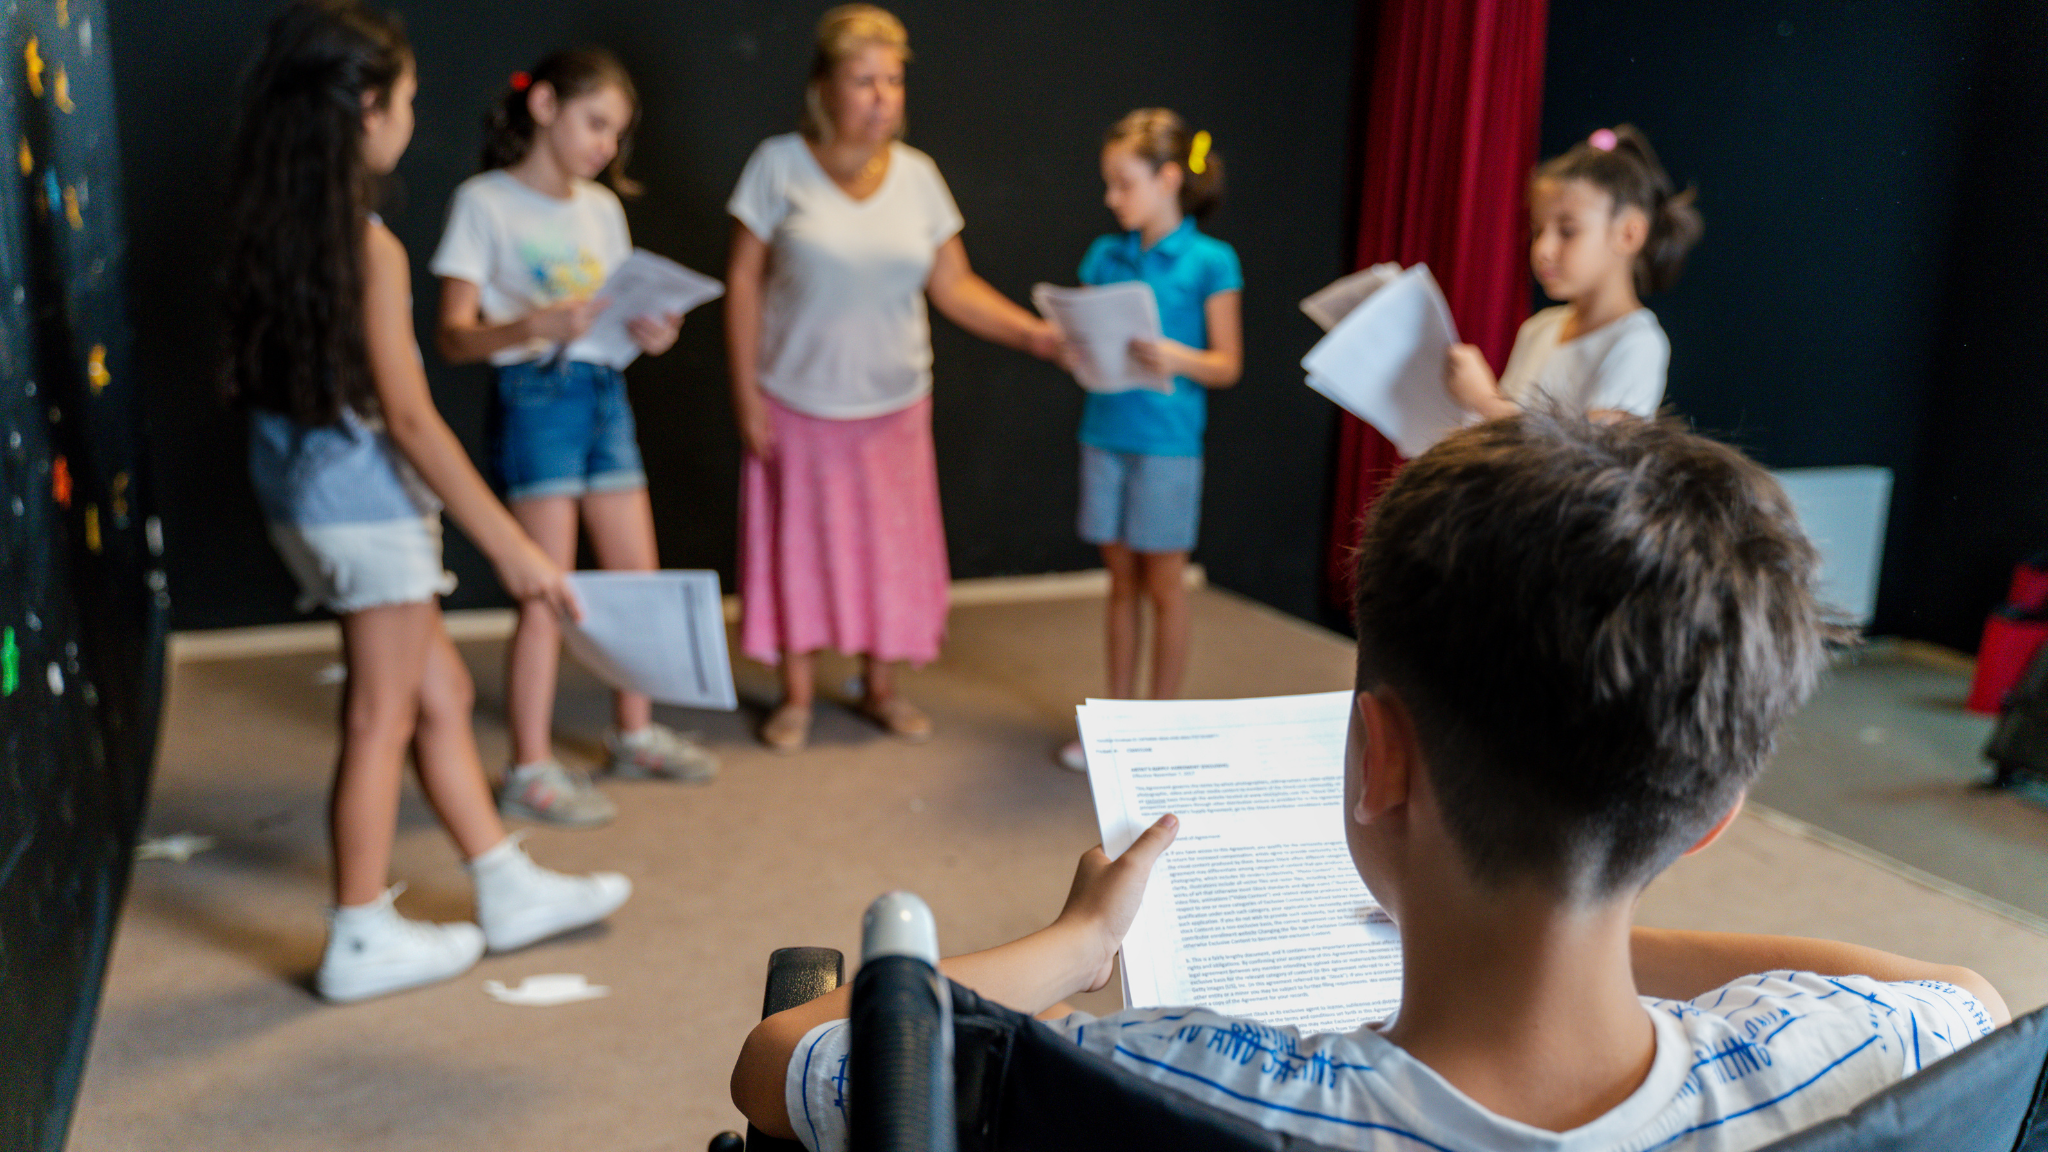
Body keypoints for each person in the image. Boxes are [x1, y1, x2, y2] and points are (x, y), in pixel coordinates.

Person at [732, 414, 2011, 1150]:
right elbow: (1956, 990)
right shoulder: (1845, 1055)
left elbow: (789, 1057)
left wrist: (1074, 948)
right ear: (1714, 812)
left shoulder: (1165, 1088)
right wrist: (1613, 938)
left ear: (1377, 758)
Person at [222, 0, 630, 1002]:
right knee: (379, 717)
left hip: (305, 503)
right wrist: (514, 550)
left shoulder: (272, 227)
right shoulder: (369, 247)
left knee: (439, 692)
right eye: (405, 98)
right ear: (367, 107)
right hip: (365, 515)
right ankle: (358, 930)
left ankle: (501, 883)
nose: (412, 114)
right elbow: (410, 421)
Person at [724, 4, 1064, 754]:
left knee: (890, 551)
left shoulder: (919, 179)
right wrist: (746, 393)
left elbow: (956, 285)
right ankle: (797, 695)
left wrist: (1037, 336)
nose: (881, 95)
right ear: (825, 88)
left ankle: (881, 688)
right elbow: (743, 282)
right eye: (863, 80)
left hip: (893, 406)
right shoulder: (777, 165)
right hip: (798, 400)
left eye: (893, 80)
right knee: (798, 549)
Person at [433, 49, 715, 830]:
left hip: (604, 391)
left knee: (638, 579)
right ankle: (529, 766)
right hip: (535, 395)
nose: (604, 145)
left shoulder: (601, 208)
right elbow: (454, 338)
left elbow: (619, 307)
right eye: (596, 123)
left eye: (616, 133)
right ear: (547, 105)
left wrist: (650, 329)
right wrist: (535, 325)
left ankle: (634, 732)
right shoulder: (483, 203)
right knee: (547, 591)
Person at [1054, 109, 1242, 773]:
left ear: (1167, 180)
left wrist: (1173, 356)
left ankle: (1160, 729)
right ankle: (1115, 720)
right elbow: (1082, 337)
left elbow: (1227, 363)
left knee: (1164, 585)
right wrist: (1071, 347)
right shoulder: (1104, 256)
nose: (1111, 199)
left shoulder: (1211, 261)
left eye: (1123, 183)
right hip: (1104, 433)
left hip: (1167, 443)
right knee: (1119, 583)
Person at [1446, 125, 1703, 421]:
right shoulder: (1537, 330)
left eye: (1568, 231)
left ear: (1629, 234)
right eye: (1538, 230)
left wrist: (1485, 402)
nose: (1543, 249)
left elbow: (1590, 459)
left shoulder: (1637, 341)